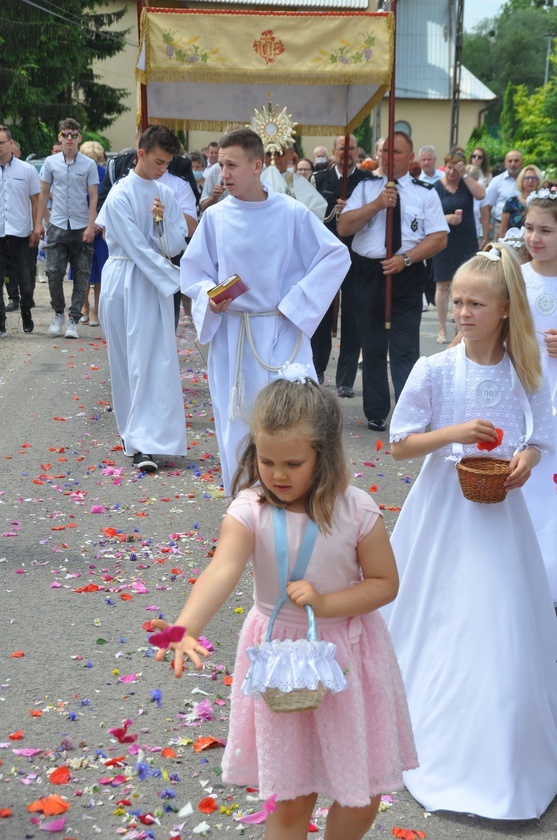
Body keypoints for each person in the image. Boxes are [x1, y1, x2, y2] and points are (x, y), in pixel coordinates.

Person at [151, 376, 417, 840]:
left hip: (348, 659)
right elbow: (220, 571)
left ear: (325, 456)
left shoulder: (356, 509)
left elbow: (384, 583)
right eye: (266, 460)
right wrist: (183, 627)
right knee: (291, 798)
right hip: (278, 659)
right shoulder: (249, 508)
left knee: (362, 795)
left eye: (294, 463)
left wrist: (327, 601)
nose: (277, 474)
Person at [385, 245, 557, 819]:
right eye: (457, 301)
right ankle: (424, 725)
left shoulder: (524, 370)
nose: (462, 312)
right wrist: (453, 432)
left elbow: (543, 435)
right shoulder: (433, 370)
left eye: (475, 303)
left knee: (497, 619)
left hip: (499, 511)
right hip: (442, 509)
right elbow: (401, 440)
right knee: (437, 611)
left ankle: (501, 748)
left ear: (505, 308)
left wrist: (528, 457)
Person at [181, 128, 350, 494]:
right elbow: (193, 273)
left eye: (231, 165)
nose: (223, 173)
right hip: (234, 337)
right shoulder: (215, 217)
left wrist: (295, 305)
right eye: (220, 164)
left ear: (257, 165)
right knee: (238, 425)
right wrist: (210, 297)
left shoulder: (290, 213)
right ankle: (243, 507)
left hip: (280, 331)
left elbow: (335, 256)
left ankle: (291, 501)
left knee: (289, 422)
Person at [337, 131, 448, 432]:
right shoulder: (364, 188)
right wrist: (376, 205)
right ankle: (376, 411)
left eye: (396, 152)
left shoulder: (425, 192)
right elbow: (344, 227)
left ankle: (408, 413)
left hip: (406, 273)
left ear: (410, 158)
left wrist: (407, 258)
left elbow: (438, 237)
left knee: (405, 348)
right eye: (385, 151)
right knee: (372, 345)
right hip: (369, 273)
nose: (389, 157)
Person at [96, 125, 188, 473]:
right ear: (141, 154)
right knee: (129, 361)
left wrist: (161, 222)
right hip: (125, 280)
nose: (163, 168)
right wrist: (180, 281)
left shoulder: (165, 193)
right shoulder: (120, 194)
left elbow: (176, 244)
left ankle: (154, 438)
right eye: (159, 161)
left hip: (154, 283)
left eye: (168, 163)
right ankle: (135, 441)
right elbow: (133, 246)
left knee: (157, 360)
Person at [312, 134, 375, 393]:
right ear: (333, 152)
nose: (346, 153)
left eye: (351, 148)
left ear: (357, 152)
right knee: (321, 315)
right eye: (341, 148)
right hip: (325, 256)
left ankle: (346, 379)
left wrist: (352, 210)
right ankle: (316, 369)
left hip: (356, 257)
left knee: (353, 316)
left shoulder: (368, 183)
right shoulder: (320, 180)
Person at [520, 187, 557, 606]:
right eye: (529, 227)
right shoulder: (515, 275)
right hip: (522, 387)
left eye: (545, 230)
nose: (535, 238)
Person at [34, 118, 99, 339]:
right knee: (53, 273)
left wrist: (91, 225)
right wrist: (39, 223)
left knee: (82, 276)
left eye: (73, 134)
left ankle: (73, 319)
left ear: (79, 137)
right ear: (59, 137)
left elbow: (93, 197)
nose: (69, 138)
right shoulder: (50, 163)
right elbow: (43, 194)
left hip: (81, 226)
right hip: (58, 224)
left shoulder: (88, 165)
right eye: (65, 134)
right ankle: (58, 313)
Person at [432, 150, 485, 344]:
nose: (452, 172)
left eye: (456, 168)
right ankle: (441, 327)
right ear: (444, 166)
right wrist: (447, 219)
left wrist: (465, 175)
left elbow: (481, 194)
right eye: (449, 167)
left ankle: (459, 329)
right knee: (443, 283)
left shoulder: (465, 184)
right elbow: (429, 214)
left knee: (465, 284)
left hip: (466, 239)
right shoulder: (437, 187)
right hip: (444, 240)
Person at [0, 125, 40, 336]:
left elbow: (36, 200)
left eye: (1, 143)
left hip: (20, 234)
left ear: (11, 144)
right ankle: (1, 322)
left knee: (26, 281)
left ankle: (25, 309)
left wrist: (37, 227)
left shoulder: (26, 170)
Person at [78, 140, 108, 328]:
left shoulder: (104, 175)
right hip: (80, 227)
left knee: (99, 272)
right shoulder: (78, 174)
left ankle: (96, 309)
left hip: (99, 227)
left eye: (95, 161)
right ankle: (84, 305)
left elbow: (106, 201)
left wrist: (97, 224)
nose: (93, 164)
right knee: (83, 271)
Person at [481, 149, 523, 246]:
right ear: (505, 163)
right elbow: (487, 207)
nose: (513, 164)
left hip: (523, 228)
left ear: (522, 162)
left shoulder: (528, 180)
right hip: (500, 226)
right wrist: (487, 228)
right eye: (510, 161)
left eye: (516, 161)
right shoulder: (497, 181)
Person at [498, 164, 542, 238]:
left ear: (538, 181)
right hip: (513, 244)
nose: (530, 181)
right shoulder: (511, 202)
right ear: (521, 180)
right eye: (527, 178)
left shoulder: (542, 202)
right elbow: (502, 229)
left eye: (534, 178)